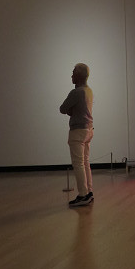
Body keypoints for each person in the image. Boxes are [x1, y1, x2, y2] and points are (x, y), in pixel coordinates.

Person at [60, 63, 94, 207]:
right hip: (89, 129)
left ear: (78, 76)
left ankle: (82, 194)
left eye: (73, 73)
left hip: (77, 131)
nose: (71, 75)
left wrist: (71, 111)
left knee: (78, 163)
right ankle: (89, 192)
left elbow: (63, 109)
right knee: (85, 162)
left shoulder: (76, 92)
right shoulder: (88, 91)